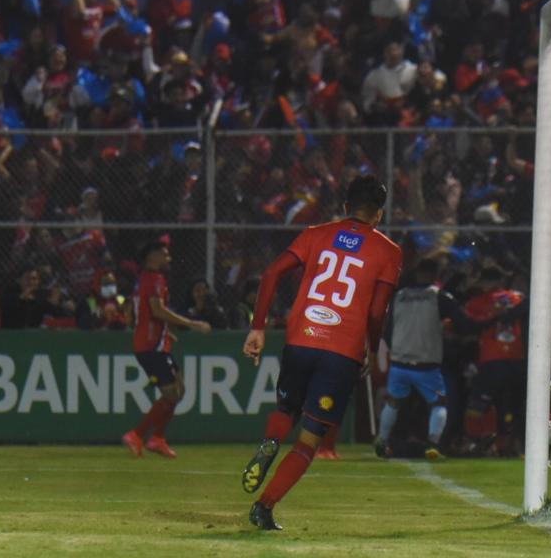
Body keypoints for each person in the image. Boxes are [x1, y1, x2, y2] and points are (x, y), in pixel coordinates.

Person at [240, 175, 402, 531]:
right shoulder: (389, 251)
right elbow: (377, 313)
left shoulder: (315, 234)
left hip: (300, 340)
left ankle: (268, 443)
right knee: (310, 439)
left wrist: (258, 327)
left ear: (345, 208)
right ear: (379, 215)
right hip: (340, 352)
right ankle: (264, 507)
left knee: (286, 409)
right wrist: (371, 349)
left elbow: (270, 274)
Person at [374, 257, 483, 460]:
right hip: (426, 364)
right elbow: (463, 322)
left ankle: (382, 440)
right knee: (439, 403)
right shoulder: (438, 297)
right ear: (435, 275)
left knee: (394, 402)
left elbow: (388, 332)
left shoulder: (398, 297)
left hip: (399, 362)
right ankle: (433, 444)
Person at [122, 240, 212, 459]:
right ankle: (137, 434)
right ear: (152, 257)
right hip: (151, 345)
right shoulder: (153, 279)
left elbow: (140, 312)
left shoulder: (147, 279)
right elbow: (156, 310)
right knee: (172, 393)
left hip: (157, 343)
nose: (168, 257)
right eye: (164, 254)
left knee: (178, 389)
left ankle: (158, 438)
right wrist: (192, 324)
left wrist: (166, 332)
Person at [461, 266, 527, 457]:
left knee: (479, 403)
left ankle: (474, 441)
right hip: (516, 358)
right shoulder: (517, 297)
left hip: (491, 358)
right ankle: (511, 444)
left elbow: (467, 326)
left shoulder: (476, 302)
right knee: (513, 405)